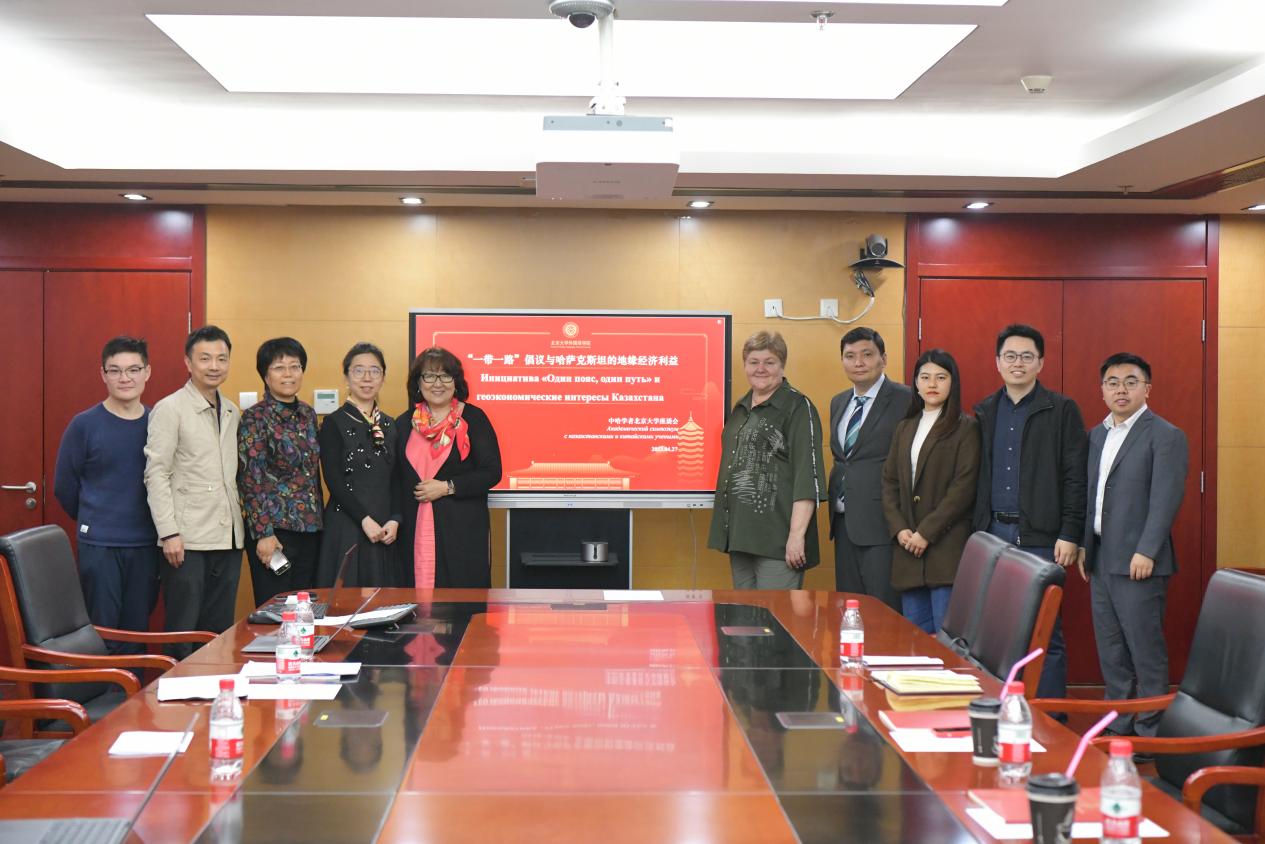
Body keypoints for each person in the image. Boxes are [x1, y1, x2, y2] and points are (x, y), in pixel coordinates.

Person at [972, 324, 1087, 701]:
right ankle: (1002, 711)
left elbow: (1075, 476)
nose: (1017, 363)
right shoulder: (985, 411)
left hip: (1042, 538)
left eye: (1026, 356)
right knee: (997, 633)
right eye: (1010, 356)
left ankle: (1050, 716)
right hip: (994, 536)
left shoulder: (1062, 410)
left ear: (1040, 363)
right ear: (997, 362)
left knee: (1044, 632)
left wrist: (1070, 532)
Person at [1080, 353, 1187, 741]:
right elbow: (1091, 495)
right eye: (1112, 382)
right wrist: (1084, 546)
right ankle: (1119, 724)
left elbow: (1165, 499)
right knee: (1111, 651)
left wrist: (1147, 550)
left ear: (1147, 389)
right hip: (1100, 557)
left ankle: (1150, 733)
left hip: (1140, 561)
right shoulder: (1097, 435)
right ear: (1102, 390)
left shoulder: (1165, 435)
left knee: (1145, 651)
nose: (1120, 389)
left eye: (1130, 381)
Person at [53, 336, 160, 654]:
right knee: (102, 635)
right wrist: (96, 518)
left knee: (137, 634)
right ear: (103, 374)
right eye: (115, 370)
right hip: (99, 545)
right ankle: (102, 690)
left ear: (147, 372)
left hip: (145, 545)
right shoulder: (84, 425)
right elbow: (64, 487)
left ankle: (134, 689)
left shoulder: (158, 424)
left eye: (133, 369)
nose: (125, 378)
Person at [144, 325, 243, 657]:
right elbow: (156, 473)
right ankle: (176, 689)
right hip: (186, 540)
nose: (214, 366)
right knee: (183, 629)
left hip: (228, 537)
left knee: (219, 630)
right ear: (188, 362)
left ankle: (214, 687)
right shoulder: (169, 408)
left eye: (221, 359)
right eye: (205, 358)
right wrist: (169, 532)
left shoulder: (231, 410)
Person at [708, 331, 827, 589]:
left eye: (769, 362)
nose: (760, 369)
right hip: (740, 538)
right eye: (753, 362)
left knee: (774, 613)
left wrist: (796, 536)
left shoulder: (797, 406)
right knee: (744, 613)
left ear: (782, 365)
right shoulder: (740, 409)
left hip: (778, 542)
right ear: (745, 365)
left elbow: (807, 477)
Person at [880, 349, 980, 633]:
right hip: (907, 550)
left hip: (945, 550)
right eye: (925, 377)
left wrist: (926, 532)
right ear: (915, 383)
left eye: (941, 377)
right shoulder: (905, 427)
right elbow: (889, 483)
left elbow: (963, 488)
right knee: (915, 640)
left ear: (953, 382)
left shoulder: (966, 428)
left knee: (947, 642)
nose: (932, 384)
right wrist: (900, 529)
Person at [395, 347, 502, 588]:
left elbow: (492, 472)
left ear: (456, 382)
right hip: (412, 532)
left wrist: (447, 487)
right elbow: (395, 480)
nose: (437, 383)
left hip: (461, 532)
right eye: (429, 376)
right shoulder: (403, 423)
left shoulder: (473, 418)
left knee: (461, 601)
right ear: (418, 383)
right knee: (413, 599)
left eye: (445, 376)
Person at [827, 327, 912, 609]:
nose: (858, 362)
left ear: (883, 359)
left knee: (882, 611)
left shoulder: (905, 399)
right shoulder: (839, 401)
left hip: (882, 525)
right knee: (849, 610)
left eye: (867, 354)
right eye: (850, 356)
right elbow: (845, 459)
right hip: (843, 522)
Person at [238, 337, 323, 606]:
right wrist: (263, 533)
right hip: (274, 532)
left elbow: (312, 474)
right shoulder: (255, 417)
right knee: (274, 610)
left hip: (310, 528)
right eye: (279, 367)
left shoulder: (308, 414)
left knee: (304, 609)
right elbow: (250, 478)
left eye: (295, 366)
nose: (288, 374)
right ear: (265, 375)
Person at [317, 343, 402, 587]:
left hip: (385, 527)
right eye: (358, 370)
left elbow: (397, 477)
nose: (367, 378)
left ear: (383, 378)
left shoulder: (391, 424)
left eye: (374, 371)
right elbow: (333, 479)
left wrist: (395, 519)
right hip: (348, 524)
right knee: (347, 600)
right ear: (347, 376)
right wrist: (364, 519)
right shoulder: (334, 423)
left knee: (385, 601)